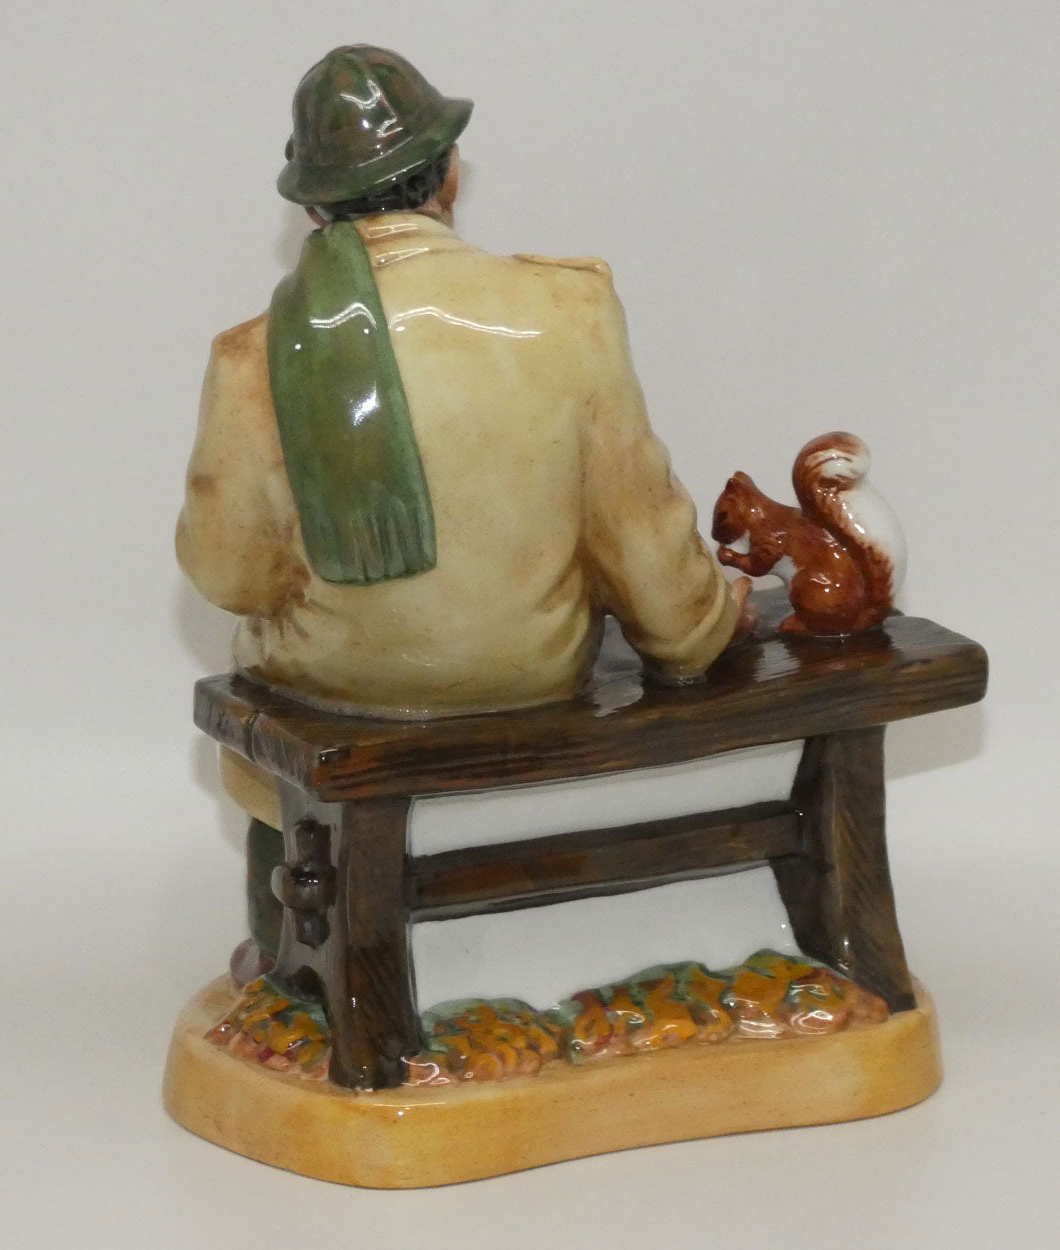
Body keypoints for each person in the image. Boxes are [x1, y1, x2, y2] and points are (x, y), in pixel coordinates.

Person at [176, 46, 752, 963]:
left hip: (337, 685)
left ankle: (287, 958)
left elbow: (229, 578)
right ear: (447, 173)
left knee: (256, 711)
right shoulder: (568, 311)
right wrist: (701, 631)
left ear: (313, 208)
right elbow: (638, 533)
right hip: (534, 673)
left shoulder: (252, 356)